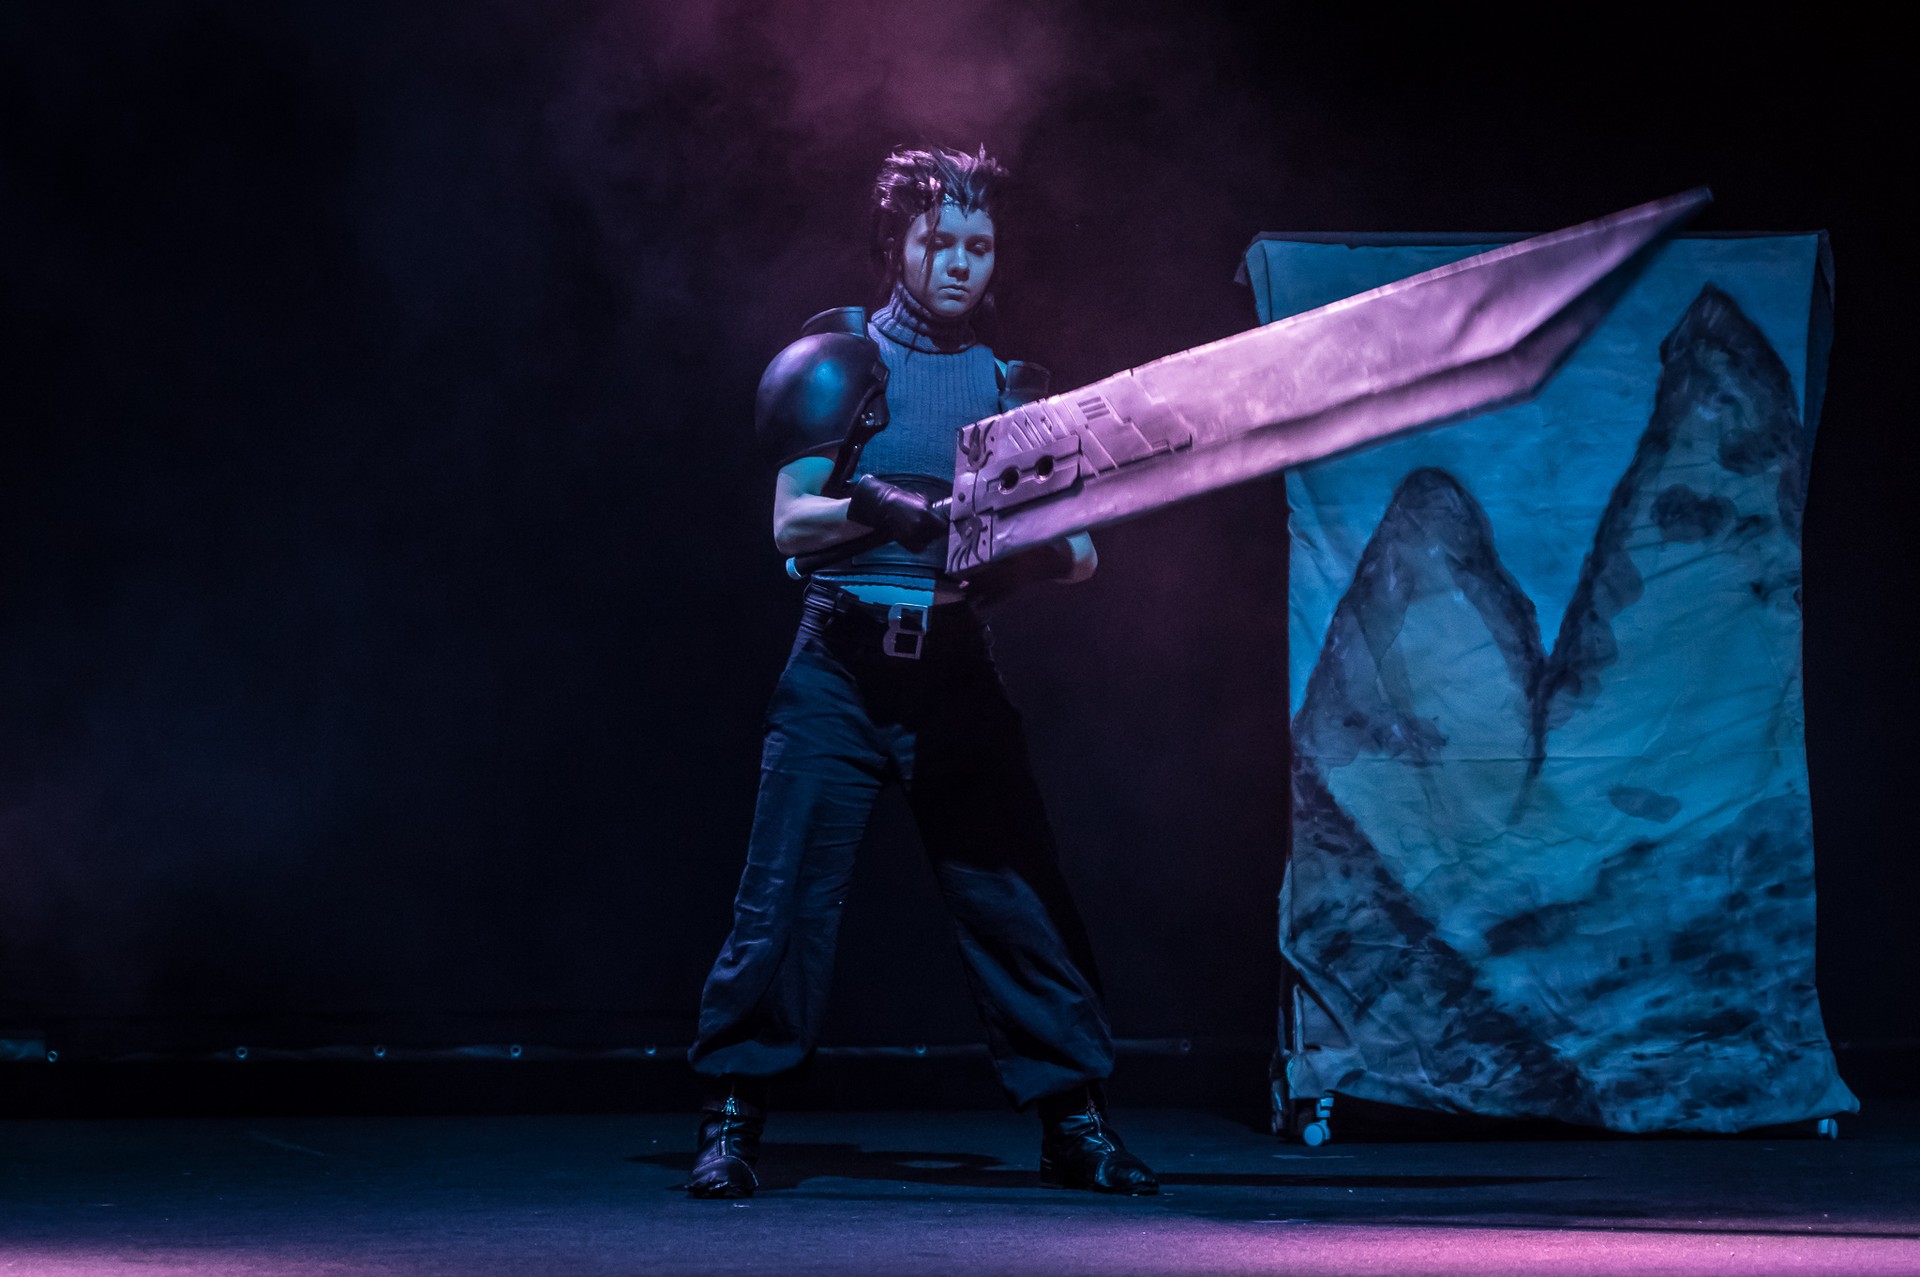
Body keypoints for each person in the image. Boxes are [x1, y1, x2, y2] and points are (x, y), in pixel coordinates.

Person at [685, 145, 1157, 1199]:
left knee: (1016, 898)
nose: (959, 262)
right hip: (840, 662)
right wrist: (885, 507)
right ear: (895, 242)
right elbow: (789, 527)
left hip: (952, 668)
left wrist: (1015, 543)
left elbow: (1080, 556)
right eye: (938, 241)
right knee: (782, 899)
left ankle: (1075, 1125)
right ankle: (732, 1117)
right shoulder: (843, 359)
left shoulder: (1011, 390)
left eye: (978, 245)